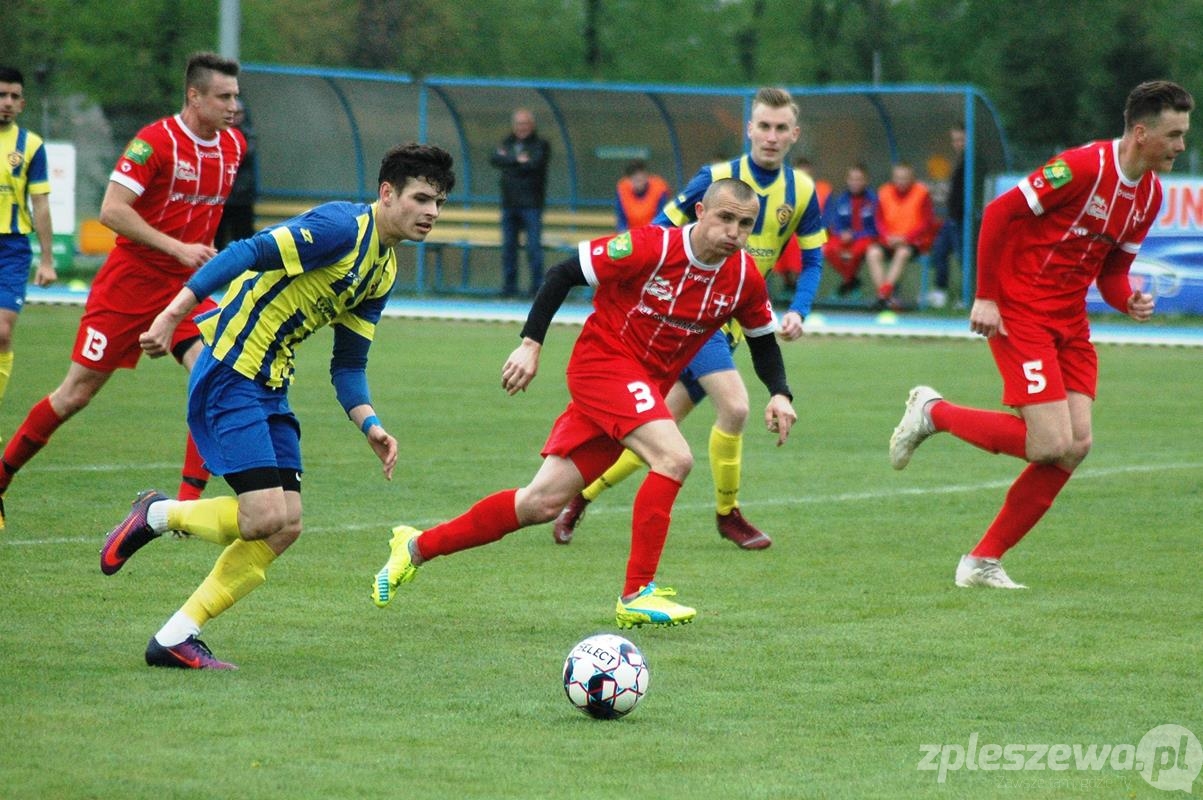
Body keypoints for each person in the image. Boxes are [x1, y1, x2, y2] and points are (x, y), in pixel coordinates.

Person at [371, 178, 797, 627]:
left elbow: (762, 341)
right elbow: (563, 273)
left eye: (745, 224)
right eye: (725, 218)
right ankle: (637, 592)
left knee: (540, 504)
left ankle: (414, 547)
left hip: (638, 388)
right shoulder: (650, 247)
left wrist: (780, 392)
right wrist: (530, 345)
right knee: (674, 457)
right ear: (700, 213)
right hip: (604, 365)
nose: (734, 232)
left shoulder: (744, 278)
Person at [98, 143, 456, 669]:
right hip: (232, 366)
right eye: (421, 198)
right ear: (387, 192)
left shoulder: (383, 271)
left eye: (439, 203)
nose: (431, 212)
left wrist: (371, 425)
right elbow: (246, 251)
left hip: (271, 382)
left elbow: (348, 365)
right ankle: (156, 514)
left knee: (285, 525)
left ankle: (175, 636)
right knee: (263, 514)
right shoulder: (340, 228)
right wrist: (174, 314)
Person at [889, 80, 1193, 589]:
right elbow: (999, 212)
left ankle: (982, 561)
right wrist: (985, 296)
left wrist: (1129, 300)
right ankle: (933, 412)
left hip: (1069, 320)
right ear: (1142, 133)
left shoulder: (1150, 195)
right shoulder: (1081, 167)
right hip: (1020, 309)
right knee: (1049, 442)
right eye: (1175, 134)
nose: (1181, 145)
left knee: (1075, 445)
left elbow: (1113, 274)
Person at [552, 87, 825, 550]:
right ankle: (728, 514)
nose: (771, 136)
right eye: (763, 125)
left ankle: (579, 498)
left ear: (794, 134)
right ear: (749, 128)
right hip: (692, 317)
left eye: (781, 128)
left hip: (733, 320)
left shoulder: (802, 191)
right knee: (735, 406)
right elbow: (658, 231)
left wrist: (799, 309)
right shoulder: (714, 178)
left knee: (661, 426)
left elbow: (814, 258)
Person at [0, 52, 244, 529]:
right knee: (74, 395)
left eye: (236, 96)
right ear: (194, 96)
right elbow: (112, 210)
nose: (234, 106)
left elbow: (202, 214)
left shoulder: (233, 145)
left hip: (184, 290)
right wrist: (178, 247)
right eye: (224, 97)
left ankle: (186, 502)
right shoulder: (155, 142)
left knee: (214, 373)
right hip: (128, 286)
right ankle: (2, 476)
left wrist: (201, 255)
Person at [0, 66, 56, 443]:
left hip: (12, 249)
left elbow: (41, 203)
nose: (7, 102)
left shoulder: (31, 146)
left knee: (2, 332)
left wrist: (47, 260)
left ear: (22, 103)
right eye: (1, 95)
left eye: (14, 96)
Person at [491, 108, 550, 297]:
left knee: (533, 248)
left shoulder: (540, 144)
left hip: (531, 204)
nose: (521, 127)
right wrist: (518, 160)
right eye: (518, 124)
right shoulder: (507, 142)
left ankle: (537, 288)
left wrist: (509, 161)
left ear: (532, 125)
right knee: (509, 248)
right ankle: (509, 288)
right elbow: (494, 158)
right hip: (509, 204)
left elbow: (534, 164)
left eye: (525, 123)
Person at [872, 162, 938, 310]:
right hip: (889, 240)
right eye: (898, 178)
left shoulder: (922, 192)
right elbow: (878, 219)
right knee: (873, 252)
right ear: (893, 178)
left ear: (912, 178)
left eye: (905, 178)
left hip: (913, 242)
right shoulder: (884, 192)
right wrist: (887, 236)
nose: (901, 181)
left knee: (902, 253)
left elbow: (926, 222)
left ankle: (884, 295)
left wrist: (906, 238)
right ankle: (885, 297)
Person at [822, 163, 885, 298]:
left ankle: (847, 283)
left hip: (865, 237)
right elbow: (835, 222)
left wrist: (855, 235)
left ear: (866, 181)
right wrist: (841, 233)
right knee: (827, 249)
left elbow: (876, 227)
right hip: (843, 237)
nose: (855, 183)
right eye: (852, 179)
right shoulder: (840, 199)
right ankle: (852, 281)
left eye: (859, 179)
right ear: (847, 180)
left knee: (856, 252)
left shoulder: (874, 200)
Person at [772, 157, 831, 295]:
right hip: (793, 232)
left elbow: (828, 218)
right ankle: (789, 283)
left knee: (800, 241)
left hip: (818, 232)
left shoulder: (823, 190)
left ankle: (799, 285)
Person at [927, 124, 967, 309]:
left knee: (963, 257)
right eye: (955, 140)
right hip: (952, 219)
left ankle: (968, 295)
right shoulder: (961, 161)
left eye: (961, 139)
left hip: (963, 219)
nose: (958, 143)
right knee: (940, 250)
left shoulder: (973, 161)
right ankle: (940, 291)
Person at [214, 98, 257, 249]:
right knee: (216, 240)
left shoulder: (247, 134)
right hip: (220, 198)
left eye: (239, 113)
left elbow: (242, 155)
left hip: (241, 197)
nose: (235, 116)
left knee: (243, 239)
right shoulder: (215, 133)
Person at [614, 158, 669, 232]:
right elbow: (621, 220)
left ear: (646, 175)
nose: (638, 179)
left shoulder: (659, 189)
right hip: (631, 234)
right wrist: (624, 234)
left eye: (640, 177)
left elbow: (662, 219)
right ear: (629, 179)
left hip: (653, 232)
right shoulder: (622, 189)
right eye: (634, 177)